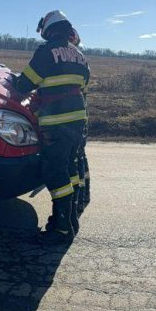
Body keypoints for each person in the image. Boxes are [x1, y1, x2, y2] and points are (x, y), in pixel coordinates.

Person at [13, 10, 90, 243]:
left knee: (55, 174)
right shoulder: (79, 55)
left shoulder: (46, 52)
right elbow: (82, 87)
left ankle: (61, 230)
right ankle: (69, 220)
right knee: (71, 170)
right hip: (78, 123)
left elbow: (24, 84)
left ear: (49, 29)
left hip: (57, 124)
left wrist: (14, 81)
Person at [70, 28, 91, 216]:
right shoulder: (82, 60)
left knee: (75, 162)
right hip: (81, 118)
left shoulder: (69, 58)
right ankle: (84, 197)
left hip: (72, 119)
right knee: (81, 158)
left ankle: (76, 203)